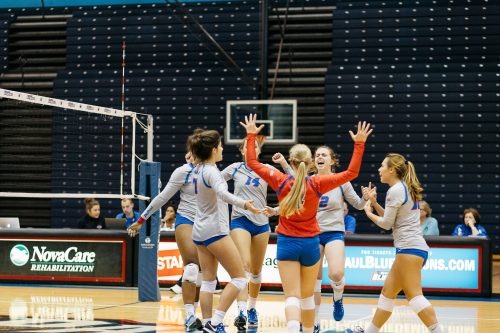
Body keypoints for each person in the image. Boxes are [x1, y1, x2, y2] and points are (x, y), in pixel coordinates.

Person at [242, 114, 371, 333]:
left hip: (287, 243)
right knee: (308, 295)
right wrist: (359, 144)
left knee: (292, 296)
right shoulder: (318, 183)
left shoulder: (280, 180)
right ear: (310, 163)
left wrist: (251, 135)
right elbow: (352, 173)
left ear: (290, 162)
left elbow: (252, 162)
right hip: (311, 243)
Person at [272, 144, 367, 332]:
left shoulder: (340, 181)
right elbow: (291, 189)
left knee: (336, 274)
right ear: (312, 161)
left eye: (324, 155)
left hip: (333, 232)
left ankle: (337, 298)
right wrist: (275, 210)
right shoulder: (309, 180)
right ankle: (313, 322)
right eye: (317, 155)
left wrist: (366, 199)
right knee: (312, 284)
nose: (320, 157)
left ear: (332, 160)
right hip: (312, 234)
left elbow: (358, 204)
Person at [346, 154, 444, 333]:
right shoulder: (403, 187)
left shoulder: (395, 190)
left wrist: (368, 212)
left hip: (409, 249)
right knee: (387, 293)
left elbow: (386, 224)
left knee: (414, 296)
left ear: (392, 170)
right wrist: (374, 203)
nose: (379, 169)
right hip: (412, 249)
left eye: (382, 166)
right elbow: (394, 219)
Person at [128, 131, 204, 331]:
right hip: (186, 221)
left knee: (202, 275)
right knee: (192, 267)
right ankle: (189, 316)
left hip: (207, 224)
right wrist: (141, 219)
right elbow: (161, 198)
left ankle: (197, 315)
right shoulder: (182, 171)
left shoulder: (211, 171)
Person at [190, 128, 262, 333]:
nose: (222, 148)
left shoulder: (197, 169)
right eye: (220, 145)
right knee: (240, 277)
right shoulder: (212, 171)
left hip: (199, 231)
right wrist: (245, 204)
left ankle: (206, 323)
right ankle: (216, 322)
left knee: (209, 281)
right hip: (215, 230)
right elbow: (223, 194)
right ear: (213, 150)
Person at [221, 135, 273, 330]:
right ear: (242, 151)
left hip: (261, 223)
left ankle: (252, 307)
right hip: (240, 219)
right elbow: (214, 181)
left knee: (257, 271)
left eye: (255, 146)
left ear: (258, 151)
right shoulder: (234, 168)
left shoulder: (267, 169)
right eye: (247, 146)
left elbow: (289, 181)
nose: (251, 149)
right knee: (244, 266)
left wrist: (285, 163)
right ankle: (241, 312)